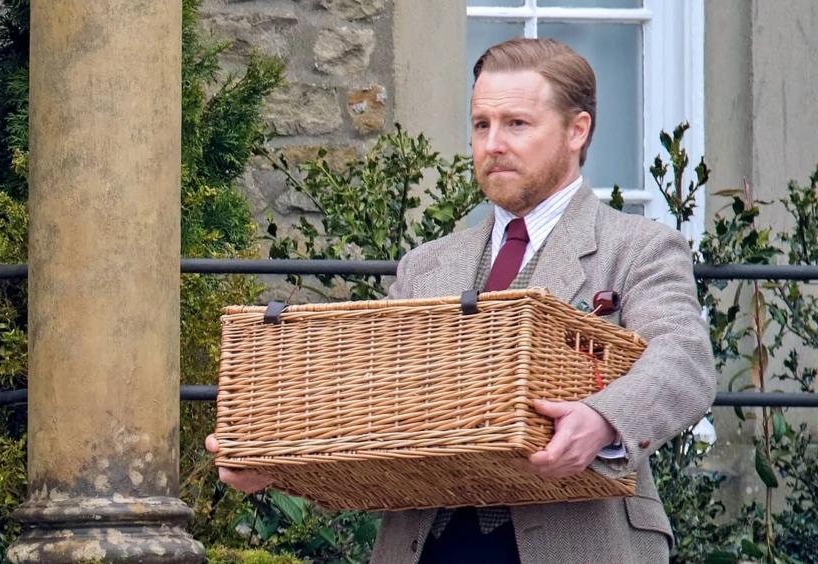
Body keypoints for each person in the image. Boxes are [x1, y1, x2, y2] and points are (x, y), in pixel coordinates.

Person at [208, 38, 716, 563]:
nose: (493, 144)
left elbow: (685, 360)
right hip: (423, 546)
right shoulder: (424, 265)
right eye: (481, 125)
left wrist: (604, 420)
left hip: (578, 542)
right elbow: (374, 405)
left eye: (516, 124)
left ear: (577, 130)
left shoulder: (639, 247)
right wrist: (275, 459)